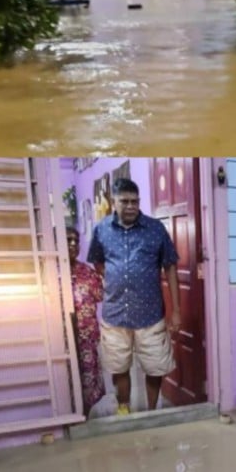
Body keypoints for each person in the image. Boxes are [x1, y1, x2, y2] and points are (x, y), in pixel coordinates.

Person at [87, 178, 181, 416]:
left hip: (150, 313)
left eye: (135, 201)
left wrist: (176, 310)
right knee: (119, 367)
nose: (130, 206)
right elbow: (98, 261)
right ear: (113, 202)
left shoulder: (155, 229)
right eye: (124, 201)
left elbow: (170, 266)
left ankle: (151, 411)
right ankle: (124, 410)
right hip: (115, 313)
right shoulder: (101, 230)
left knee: (155, 367)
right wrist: (116, 279)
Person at [66, 226, 105, 417]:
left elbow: (99, 296)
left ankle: (85, 415)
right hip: (62, 337)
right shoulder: (50, 271)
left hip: (86, 337)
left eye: (75, 241)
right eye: (68, 240)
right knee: (66, 377)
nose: (73, 244)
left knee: (88, 376)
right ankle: (69, 415)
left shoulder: (87, 272)